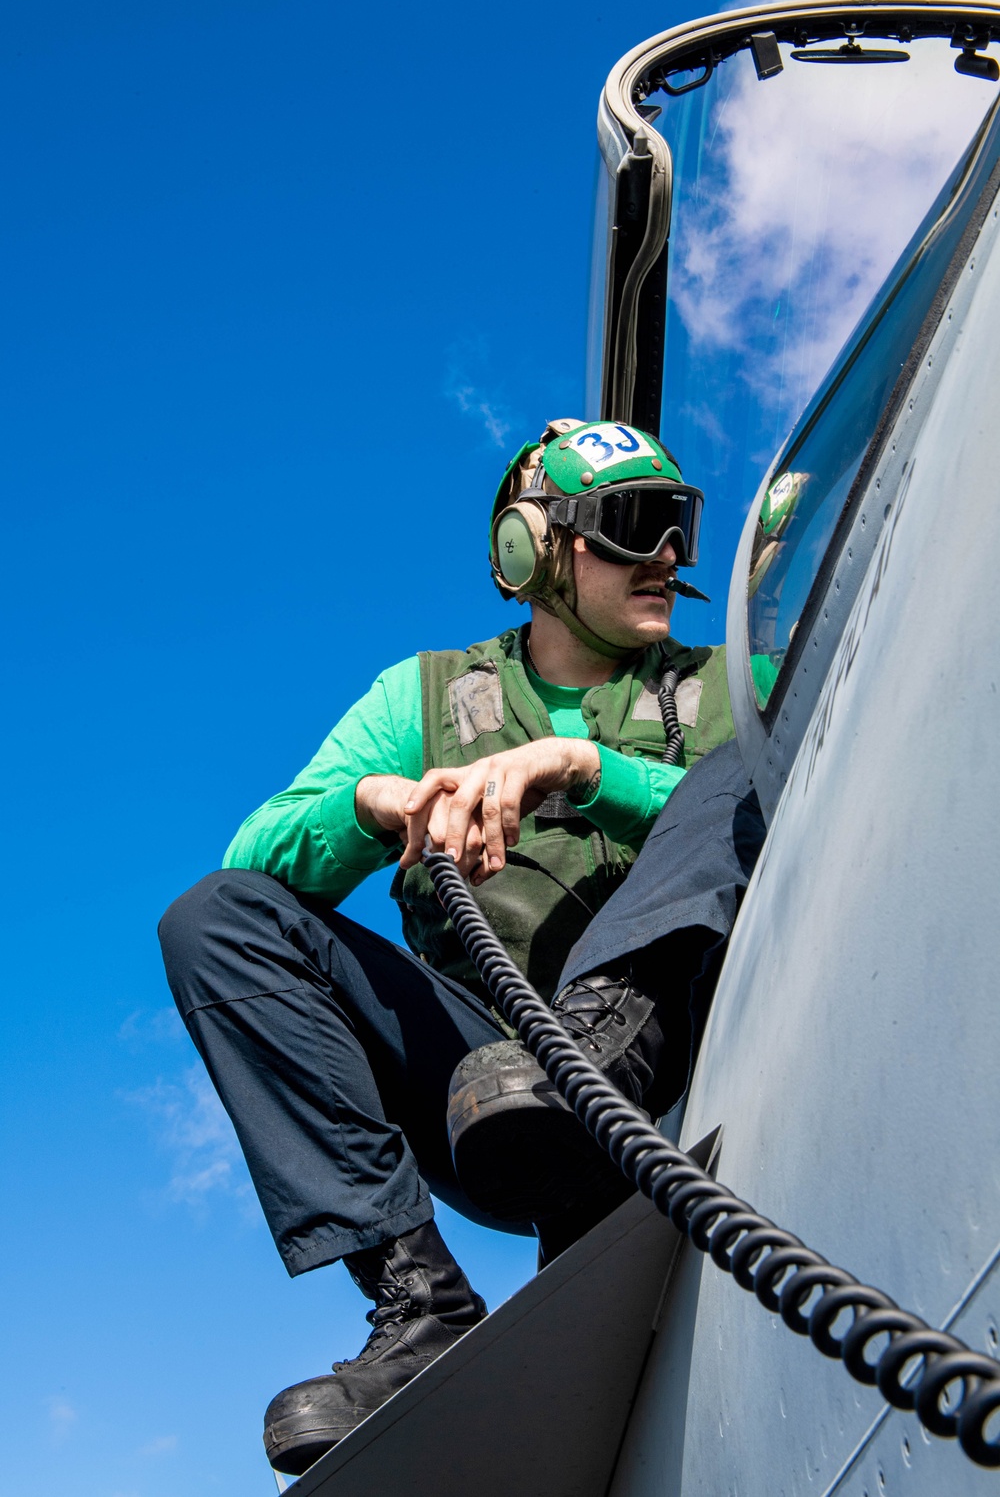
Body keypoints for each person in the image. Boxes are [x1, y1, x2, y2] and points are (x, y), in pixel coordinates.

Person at [158, 417, 751, 1477]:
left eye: (679, 524)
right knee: (215, 918)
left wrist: (580, 766)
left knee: (741, 774)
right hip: (498, 1094)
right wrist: (377, 804)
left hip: (691, 1048)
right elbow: (254, 851)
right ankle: (418, 1299)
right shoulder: (422, 700)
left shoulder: (734, 681)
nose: (666, 552)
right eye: (631, 525)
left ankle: (592, 1067)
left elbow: (794, 792)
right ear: (535, 550)